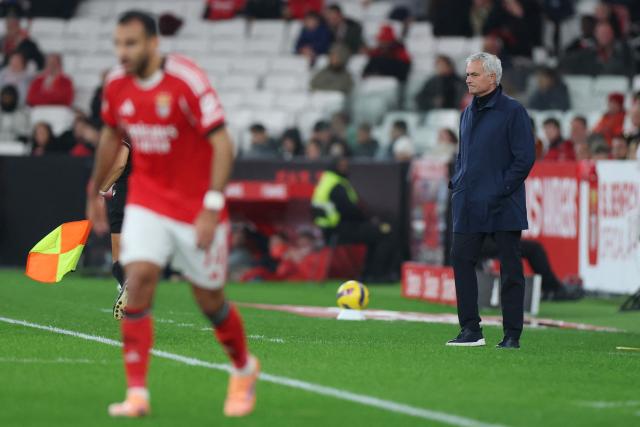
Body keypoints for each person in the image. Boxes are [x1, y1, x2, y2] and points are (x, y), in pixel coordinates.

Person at [85, 11, 259, 418]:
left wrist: (212, 207)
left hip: (196, 205)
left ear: (153, 43)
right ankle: (137, 395)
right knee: (138, 280)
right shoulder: (115, 84)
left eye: (131, 43)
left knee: (209, 300)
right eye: (118, 44)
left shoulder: (186, 80)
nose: (123, 52)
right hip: (147, 201)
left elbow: (222, 143)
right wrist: (96, 190)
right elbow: (111, 133)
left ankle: (244, 368)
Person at [447, 52, 535, 349]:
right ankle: (470, 330)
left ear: (492, 78)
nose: (468, 78)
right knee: (461, 260)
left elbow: (525, 158)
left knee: (510, 267)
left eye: (474, 74)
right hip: (468, 202)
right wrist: (458, 181)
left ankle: (512, 334)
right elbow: (464, 156)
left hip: (502, 203)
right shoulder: (467, 113)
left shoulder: (513, 111)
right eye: (468, 74)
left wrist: (499, 189)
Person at [312, 156, 396, 283]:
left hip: (331, 229)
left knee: (374, 232)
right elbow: (349, 210)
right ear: (335, 167)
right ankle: (376, 275)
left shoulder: (327, 180)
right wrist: (369, 220)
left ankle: (368, 273)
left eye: (346, 165)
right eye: (342, 166)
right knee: (384, 233)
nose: (346, 168)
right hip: (339, 229)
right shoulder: (336, 185)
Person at [99, 137, 132, 319]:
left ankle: (127, 284)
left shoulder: (126, 131)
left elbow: (120, 165)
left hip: (126, 192)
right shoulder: (151, 130)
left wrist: (102, 188)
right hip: (148, 196)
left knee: (117, 259)